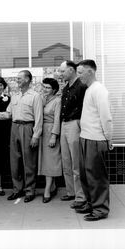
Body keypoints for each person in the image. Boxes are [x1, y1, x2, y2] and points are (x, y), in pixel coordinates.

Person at [0, 70, 43, 203]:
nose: (17, 80)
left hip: (28, 128)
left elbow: (39, 118)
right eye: (17, 78)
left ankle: (29, 191)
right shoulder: (15, 95)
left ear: (28, 79)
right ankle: (17, 190)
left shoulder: (35, 96)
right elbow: (8, 113)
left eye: (20, 78)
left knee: (29, 162)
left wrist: (35, 135)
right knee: (14, 162)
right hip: (14, 127)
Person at [75, 59, 113, 221]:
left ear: (90, 71)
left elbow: (106, 117)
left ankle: (100, 210)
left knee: (96, 177)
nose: (79, 76)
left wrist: (109, 138)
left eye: (80, 73)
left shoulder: (99, 90)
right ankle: (91, 203)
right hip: (85, 137)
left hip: (96, 139)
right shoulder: (89, 89)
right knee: (85, 175)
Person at [59, 60, 87, 209]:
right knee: (66, 162)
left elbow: (85, 108)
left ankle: (81, 196)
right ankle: (71, 192)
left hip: (75, 124)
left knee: (76, 163)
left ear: (71, 70)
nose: (60, 73)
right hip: (64, 124)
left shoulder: (81, 86)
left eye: (62, 71)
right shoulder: (66, 88)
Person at [38, 78, 62, 203]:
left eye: (48, 88)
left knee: (50, 162)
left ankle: (47, 190)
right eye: (44, 87)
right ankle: (52, 186)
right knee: (46, 161)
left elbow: (57, 119)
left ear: (54, 90)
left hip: (51, 132)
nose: (45, 89)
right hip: (42, 132)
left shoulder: (57, 100)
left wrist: (54, 135)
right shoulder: (42, 99)